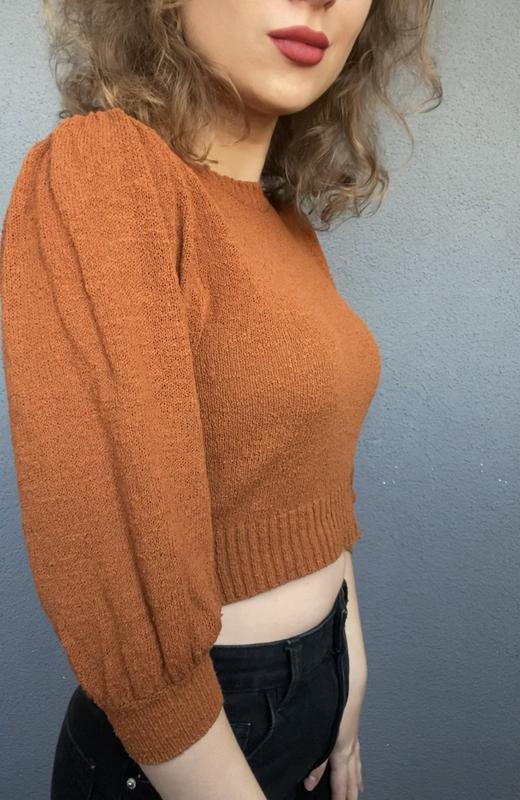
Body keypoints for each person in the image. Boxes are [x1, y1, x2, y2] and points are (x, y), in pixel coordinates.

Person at [0, 1, 442, 798]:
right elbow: (103, 543)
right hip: (197, 743)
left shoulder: (283, 222)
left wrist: (349, 665)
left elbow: (307, 480)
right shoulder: (104, 170)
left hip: (317, 687)